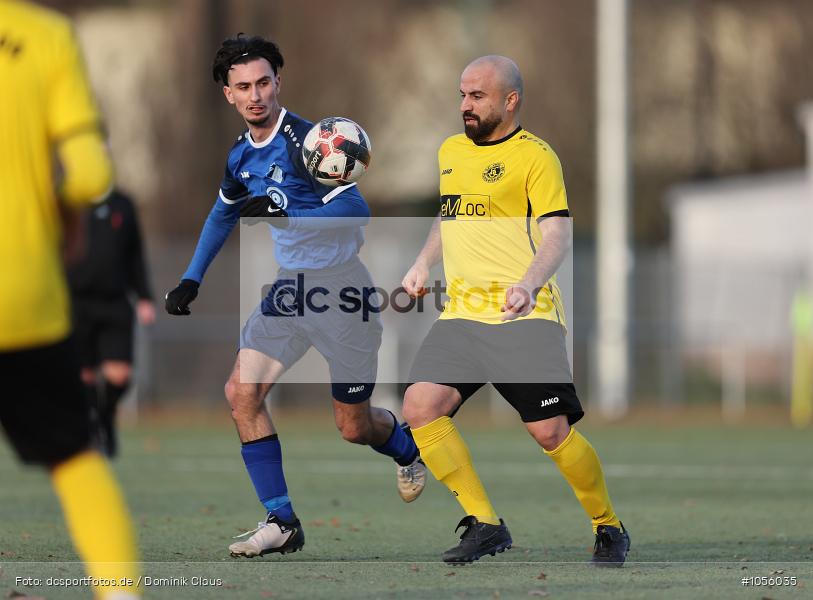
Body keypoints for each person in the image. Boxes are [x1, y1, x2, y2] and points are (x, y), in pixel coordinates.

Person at [164, 34, 425, 559]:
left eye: (264, 82)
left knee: (353, 427)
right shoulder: (240, 157)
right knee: (241, 393)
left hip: (343, 291)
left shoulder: (312, 143)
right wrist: (193, 277)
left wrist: (287, 216)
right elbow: (224, 214)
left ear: (278, 82)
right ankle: (281, 521)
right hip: (289, 291)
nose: (255, 93)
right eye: (243, 86)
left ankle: (404, 446)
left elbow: (357, 212)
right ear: (229, 95)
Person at [401, 55, 630, 566]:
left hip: (522, 314)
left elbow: (557, 232)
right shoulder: (450, 151)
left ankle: (607, 525)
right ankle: (484, 524)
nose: (465, 105)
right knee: (420, 406)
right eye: (462, 94)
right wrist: (422, 264)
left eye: (477, 96)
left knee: (549, 431)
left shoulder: (536, 156)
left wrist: (528, 284)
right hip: (462, 313)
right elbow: (449, 215)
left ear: (510, 101)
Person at [0, 1, 140, 598]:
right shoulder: (45, 35)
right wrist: (62, 216)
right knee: (76, 460)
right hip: (22, 290)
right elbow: (87, 173)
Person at [67, 187, 156, 457]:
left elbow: (135, 254)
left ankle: (106, 416)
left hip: (115, 302)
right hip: (75, 302)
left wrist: (144, 296)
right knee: (84, 376)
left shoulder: (123, 204)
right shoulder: (68, 200)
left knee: (120, 374)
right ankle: (92, 425)